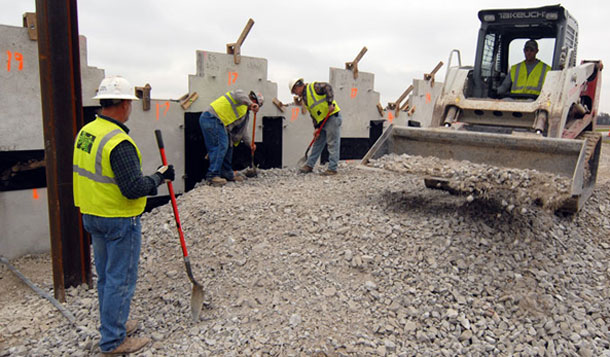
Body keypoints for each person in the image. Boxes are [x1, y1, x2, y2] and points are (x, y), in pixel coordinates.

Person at [73, 76, 175, 355]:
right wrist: (159, 176)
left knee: (106, 277)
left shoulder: (87, 132)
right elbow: (132, 188)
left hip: (92, 214)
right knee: (121, 278)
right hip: (118, 218)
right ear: (125, 104)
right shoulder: (119, 142)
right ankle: (113, 341)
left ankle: (113, 324)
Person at [199, 90, 263, 186]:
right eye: (254, 103)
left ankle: (227, 173)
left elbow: (243, 132)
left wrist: (250, 144)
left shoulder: (245, 114)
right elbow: (238, 95)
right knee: (221, 145)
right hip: (211, 117)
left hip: (221, 124)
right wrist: (250, 104)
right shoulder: (241, 96)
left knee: (229, 145)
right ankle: (212, 175)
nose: (254, 107)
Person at [289, 78, 342, 175]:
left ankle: (332, 168)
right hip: (322, 121)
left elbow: (328, 87)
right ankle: (309, 165)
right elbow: (313, 114)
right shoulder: (305, 99)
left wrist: (330, 103)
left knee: (332, 143)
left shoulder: (313, 87)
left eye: (294, 91)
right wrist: (316, 128)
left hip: (332, 116)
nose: (295, 94)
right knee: (318, 143)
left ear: (298, 86)